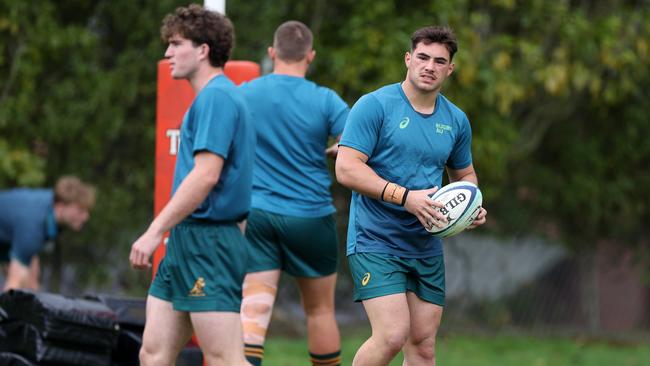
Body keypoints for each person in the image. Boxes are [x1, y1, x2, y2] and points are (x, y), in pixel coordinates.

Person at [335, 25, 488, 365]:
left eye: (439, 61)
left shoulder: (456, 120)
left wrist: (472, 205)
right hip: (375, 239)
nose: (429, 66)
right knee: (391, 336)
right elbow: (346, 168)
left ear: (450, 69)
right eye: (422, 57)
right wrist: (407, 198)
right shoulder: (374, 105)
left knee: (422, 346)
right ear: (408, 59)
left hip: (425, 244)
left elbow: (464, 175)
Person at [128, 5, 254, 366]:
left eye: (176, 43)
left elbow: (206, 175)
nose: (167, 53)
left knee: (225, 359)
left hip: (209, 244)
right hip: (186, 241)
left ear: (202, 50)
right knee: (153, 355)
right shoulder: (210, 99)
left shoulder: (217, 97)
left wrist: (154, 231)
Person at [238, 20, 348, 366]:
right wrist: (339, 148)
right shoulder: (326, 100)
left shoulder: (244, 93)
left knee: (254, 308)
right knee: (319, 311)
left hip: (256, 215)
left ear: (272, 54)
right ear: (310, 56)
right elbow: (358, 144)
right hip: (310, 217)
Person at [0, 176, 95, 291]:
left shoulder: (51, 205)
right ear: (60, 206)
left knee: (31, 284)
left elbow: (30, 253)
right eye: (80, 211)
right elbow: (14, 283)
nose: (86, 217)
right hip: (15, 234)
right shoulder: (34, 223)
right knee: (17, 285)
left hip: (8, 237)